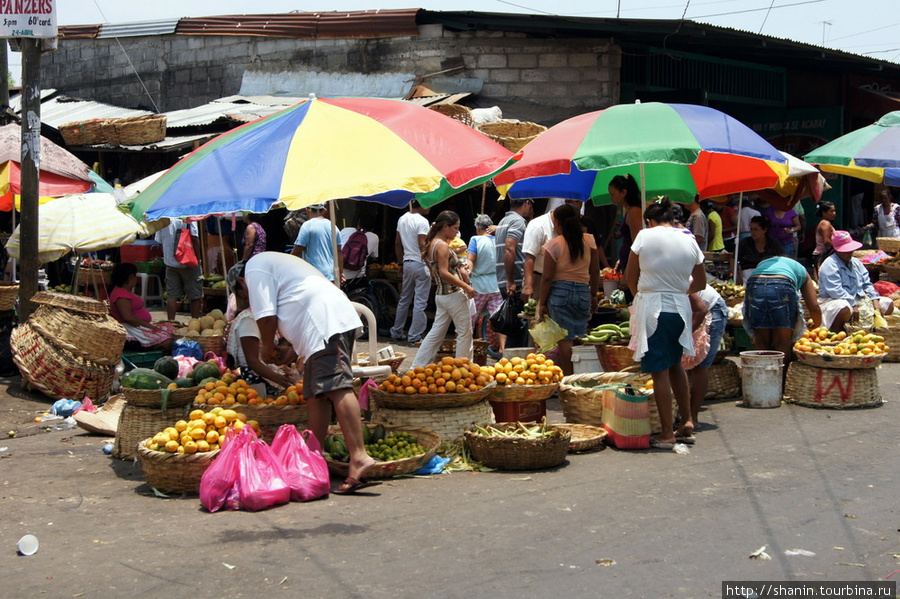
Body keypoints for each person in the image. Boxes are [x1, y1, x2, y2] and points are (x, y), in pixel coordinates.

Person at [240, 252, 378, 495]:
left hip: (324, 323)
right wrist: (293, 349)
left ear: (241, 283)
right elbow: (298, 300)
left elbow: (266, 317)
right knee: (316, 393)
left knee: (336, 387)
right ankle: (312, 457)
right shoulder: (273, 264)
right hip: (322, 323)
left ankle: (359, 457)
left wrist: (268, 348)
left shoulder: (254, 268)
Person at [625, 198, 706, 449]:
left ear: (650, 220)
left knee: (659, 370)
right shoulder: (689, 239)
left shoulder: (643, 236)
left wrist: (643, 294)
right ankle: (688, 421)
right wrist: (678, 290)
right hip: (680, 309)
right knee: (675, 364)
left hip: (653, 308)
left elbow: (630, 277)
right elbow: (700, 284)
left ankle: (667, 432)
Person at [536, 203, 601, 375]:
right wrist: (593, 295)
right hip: (582, 292)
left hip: (559, 293)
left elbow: (547, 278)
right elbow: (595, 272)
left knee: (564, 339)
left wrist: (542, 303)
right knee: (580, 336)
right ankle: (580, 377)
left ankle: (567, 379)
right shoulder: (589, 241)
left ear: (557, 222)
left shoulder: (553, 245)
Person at [743, 255, 822, 388]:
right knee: (782, 343)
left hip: (755, 284)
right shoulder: (802, 271)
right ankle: (779, 387)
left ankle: (761, 386)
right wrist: (817, 324)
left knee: (761, 341)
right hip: (782, 285)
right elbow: (814, 306)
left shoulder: (764, 263)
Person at [411, 211, 475, 369]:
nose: (456, 232)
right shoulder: (443, 246)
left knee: (435, 334)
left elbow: (436, 272)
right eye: (454, 228)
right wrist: (465, 285)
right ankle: (463, 369)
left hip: (441, 295)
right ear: (445, 226)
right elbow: (444, 272)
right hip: (453, 295)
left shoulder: (431, 244)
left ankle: (417, 366)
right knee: (464, 333)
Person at [817, 230, 894, 332]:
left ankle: (875, 331)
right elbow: (835, 291)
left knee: (887, 303)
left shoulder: (856, 262)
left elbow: (867, 283)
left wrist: (875, 299)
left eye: (850, 250)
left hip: (860, 299)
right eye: (845, 250)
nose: (849, 252)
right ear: (836, 250)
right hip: (834, 300)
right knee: (844, 308)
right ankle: (837, 333)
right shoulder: (829, 265)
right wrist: (853, 304)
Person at [683, 284, 728, 435]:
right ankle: (684, 415)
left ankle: (692, 417)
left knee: (699, 365)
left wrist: (686, 335)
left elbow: (701, 309)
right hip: (692, 312)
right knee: (680, 365)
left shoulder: (675, 275)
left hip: (711, 310)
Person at [109, 263, 176, 353]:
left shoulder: (123, 291)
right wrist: (149, 326)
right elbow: (127, 317)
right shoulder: (121, 294)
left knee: (171, 330)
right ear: (131, 277)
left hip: (138, 327)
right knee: (167, 341)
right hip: (132, 330)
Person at [390, 201, 431, 344]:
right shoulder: (423, 221)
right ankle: (414, 336)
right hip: (420, 264)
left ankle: (396, 331)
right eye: (429, 203)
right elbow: (422, 243)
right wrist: (429, 261)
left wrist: (400, 263)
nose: (430, 206)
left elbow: (397, 243)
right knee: (420, 302)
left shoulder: (402, 218)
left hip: (407, 263)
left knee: (404, 299)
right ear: (422, 204)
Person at [466, 214, 503, 356]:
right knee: (498, 319)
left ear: (477, 227)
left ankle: (464, 349)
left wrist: (466, 273)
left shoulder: (475, 240)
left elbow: (471, 261)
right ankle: (502, 349)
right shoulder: (499, 240)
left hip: (479, 285)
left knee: (470, 319)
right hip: (496, 285)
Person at [154, 218, 202, 320]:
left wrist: (167, 256)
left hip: (170, 263)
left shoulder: (164, 218)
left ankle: (171, 322)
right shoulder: (189, 216)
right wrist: (198, 259)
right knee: (194, 295)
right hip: (188, 262)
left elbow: (159, 242)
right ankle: (194, 322)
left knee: (172, 295)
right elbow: (194, 238)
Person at [291, 204, 341, 281]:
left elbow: (297, 250)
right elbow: (339, 251)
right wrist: (340, 272)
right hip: (331, 275)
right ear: (324, 210)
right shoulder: (333, 226)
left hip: (314, 275)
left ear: (307, 210)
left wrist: (288, 265)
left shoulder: (307, 225)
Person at [495, 198, 532, 296]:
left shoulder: (503, 221)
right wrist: (511, 281)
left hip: (503, 280)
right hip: (515, 283)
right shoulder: (517, 221)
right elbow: (509, 249)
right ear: (526, 203)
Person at [608, 174, 642, 272]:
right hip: (626, 263)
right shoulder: (628, 211)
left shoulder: (634, 212)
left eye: (613, 194)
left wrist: (629, 273)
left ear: (623, 192)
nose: (611, 198)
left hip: (633, 268)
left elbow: (637, 244)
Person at [737, 216, 784, 284]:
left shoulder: (774, 244)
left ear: (764, 230)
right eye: (751, 229)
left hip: (769, 276)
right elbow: (733, 259)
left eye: (756, 229)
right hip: (746, 277)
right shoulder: (745, 242)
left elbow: (782, 260)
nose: (752, 232)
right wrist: (738, 277)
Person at [812, 200, 836, 276]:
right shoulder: (825, 224)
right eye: (831, 211)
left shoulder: (825, 223)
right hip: (822, 255)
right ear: (824, 213)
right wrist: (838, 246)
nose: (834, 213)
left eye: (834, 211)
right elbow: (827, 242)